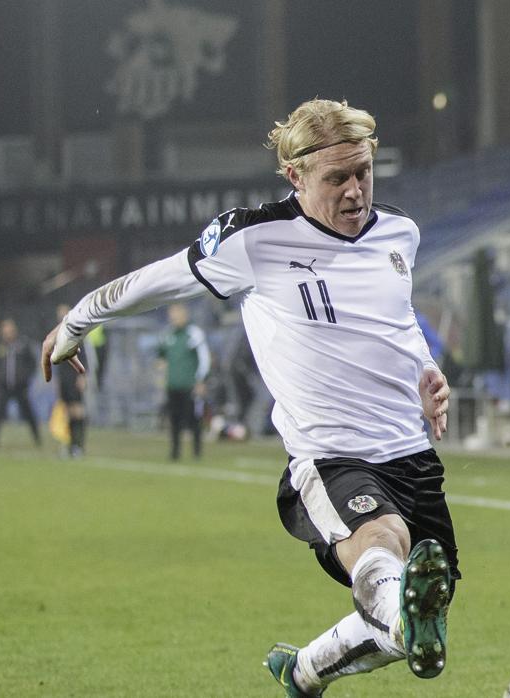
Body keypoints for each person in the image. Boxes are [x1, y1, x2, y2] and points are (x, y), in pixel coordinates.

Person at [42, 98, 458, 697]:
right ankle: (393, 607)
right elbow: (158, 280)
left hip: (411, 455)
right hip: (332, 456)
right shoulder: (253, 240)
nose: (355, 192)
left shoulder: (399, 233)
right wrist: (77, 321)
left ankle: (308, 671)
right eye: (335, 178)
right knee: (383, 546)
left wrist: (426, 368)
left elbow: (399, 317)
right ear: (295, 176)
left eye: (363, 173)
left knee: (416, 625)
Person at [157, 303, 210, 461]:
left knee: (193, 419)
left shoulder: (194, 333)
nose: (173, 317)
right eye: (171, 314)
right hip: (172, 385)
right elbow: (161, 357)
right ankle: (174, 453)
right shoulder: (167, 334)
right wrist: (161, 372)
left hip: (190, 385)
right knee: (174, 420)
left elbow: (204, 358)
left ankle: (197, 452)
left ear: (184, 314)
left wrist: (201, 380)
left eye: (176, 314)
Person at [0, 318, 41, 448]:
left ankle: (37, 439)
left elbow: (32, 363)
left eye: (9, 330)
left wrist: (26, 377)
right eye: (4, 331)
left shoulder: (23, 345)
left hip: (20, 386)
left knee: (28, 413)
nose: (6, 333)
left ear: (14, 330)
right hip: (4, 386)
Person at [54, 305, 88, 457]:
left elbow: (84, 358)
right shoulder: (58, 336)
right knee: (67, 412)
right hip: (64, 380)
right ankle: (69, 445)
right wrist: (56, 380)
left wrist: (82, 377)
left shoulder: (77, 335)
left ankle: (79, 445)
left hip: (74, 378)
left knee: (77, 411)